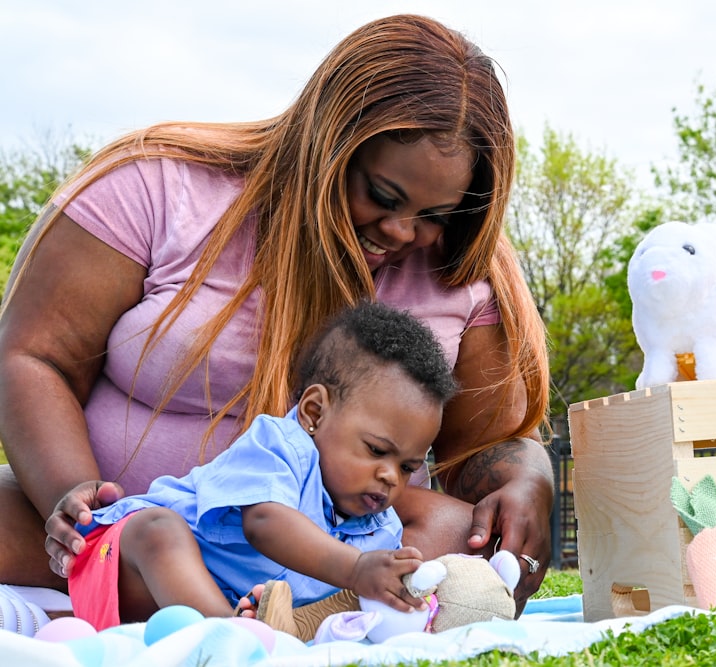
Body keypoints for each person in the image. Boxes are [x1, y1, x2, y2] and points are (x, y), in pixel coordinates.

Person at [0, 13, 552, 620]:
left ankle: (273, 618)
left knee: (451, 535)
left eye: (436, 216)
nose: (401, 231)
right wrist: (73, 503)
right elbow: (33, 356)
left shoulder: (463, 271)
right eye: (382, 196)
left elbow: (488, 444)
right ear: (327, 142)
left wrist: (529, 480)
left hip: (333, 552)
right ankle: (216, 611)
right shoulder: (155, 185)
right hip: (126, 536)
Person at [67, 302, 456, 631]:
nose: (390, 477)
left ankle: (237, 631)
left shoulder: (382, 529)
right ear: (314, 412)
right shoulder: (279, 446)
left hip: (194, 612)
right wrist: (356, 570)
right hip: (126, 568)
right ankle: (232, 640)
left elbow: (352, 598)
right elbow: (265, 523)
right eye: (375, 450)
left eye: (407, 467)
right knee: (157, 528)